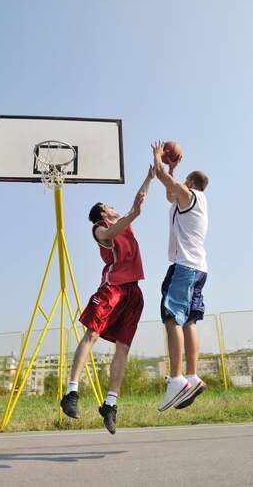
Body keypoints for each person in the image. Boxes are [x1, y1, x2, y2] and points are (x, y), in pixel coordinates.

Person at [60, 166, 155, 434]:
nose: (114, 207)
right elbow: (113, 232)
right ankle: (71, 392)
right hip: (112, 288)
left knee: (123, 348)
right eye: (109, 205)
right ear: (104, 213)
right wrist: (132, 212)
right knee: (91, 334)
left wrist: (149, 177)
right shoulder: (101, 228)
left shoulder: (124, 223)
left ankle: (110, 404)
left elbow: (136, 205)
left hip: (133, 293)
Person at [152, 141, 209, 411]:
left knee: (170, 315)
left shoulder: (189, 196)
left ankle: (176, 379)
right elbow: (168, 193)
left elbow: (162, 179)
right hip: (198, 268)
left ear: (190, 183)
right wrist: (173, 168)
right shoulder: (191, 201)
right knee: (189, 321)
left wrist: (158, 159)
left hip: (185, 267)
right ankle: (192, 375)